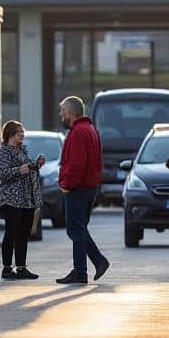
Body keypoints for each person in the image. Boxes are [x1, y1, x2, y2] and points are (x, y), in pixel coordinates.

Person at [56, 96, 110, 285]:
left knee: (75, 228)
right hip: (89, 186)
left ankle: (81, 271)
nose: (61, 115)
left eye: (62, 111)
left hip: (78, 188)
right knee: (78, 229)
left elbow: (77, 163)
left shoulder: (78, 132)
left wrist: (67, 184)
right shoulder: (90, 129)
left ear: (70, 113)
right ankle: (98, 261)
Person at [0, 120, 44, 280]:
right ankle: (7, 268)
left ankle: (21, 268)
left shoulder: (23, 151)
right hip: (11, 199)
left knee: (23, 233)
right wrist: (21, 169)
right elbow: (2, 174)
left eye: (22, 132)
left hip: (26, 198)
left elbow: (28, 169)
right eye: (18, 133)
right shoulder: (2, 152)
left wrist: (36, 165)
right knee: (11, 233)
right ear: (10, 135)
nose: (22, 135)